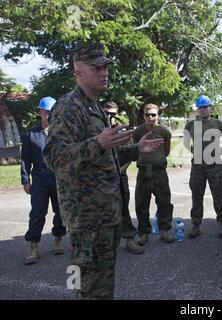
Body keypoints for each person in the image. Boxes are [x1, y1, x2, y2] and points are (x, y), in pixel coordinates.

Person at [43, 43, 164, 300]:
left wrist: (135, 149)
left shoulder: (93, 106)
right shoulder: (68, 107)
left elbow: (103, 156)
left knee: (101, 286)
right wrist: (97, 142)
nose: (104, 72)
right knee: (88, 288)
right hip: (87, 221)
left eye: (105, 66)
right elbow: (54, 158)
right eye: (96, 67)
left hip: (105, 216)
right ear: (78, 72)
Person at [21, 96, 66, 265]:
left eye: (53, 112)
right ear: (41, 112)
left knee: (60, 210)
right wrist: (25, 180)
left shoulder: (62, 133)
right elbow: (25, 159)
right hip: (39, 178)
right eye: (47, 111)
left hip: (58, 177)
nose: (50, 114)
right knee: (38, 213)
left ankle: (58, 240)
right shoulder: (31, 134)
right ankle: (33, 246)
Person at [183, 95, 222, 238]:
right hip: (197, 166)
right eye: (200, 107)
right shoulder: (190, 125)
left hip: (214, 166)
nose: (202, 110)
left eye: (205, 107)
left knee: (218, 195)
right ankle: (196, 225)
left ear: (210, 108)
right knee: (196, 195)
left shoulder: (218, 124)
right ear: (197, 109)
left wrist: (218, 153)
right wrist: (195, 152)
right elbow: (186, 142)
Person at [103, 101, 144, 254]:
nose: (109, 116)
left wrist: (119, 171)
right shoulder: (97, 131)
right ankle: (105, 243)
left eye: (112, 114)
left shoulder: (122, 132)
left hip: (120, 176)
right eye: (106, 113)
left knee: (123, 209)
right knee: (101, 211)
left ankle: (130, 239)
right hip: (100, 179)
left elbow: (131, 155)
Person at [133, 103, 175, 245]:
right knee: (141, 203)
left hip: (159, 171)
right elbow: (134, 149)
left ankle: (165, 230)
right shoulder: (138, 132)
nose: (150, 117)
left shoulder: (164, 131)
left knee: (164, 201)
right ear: (143, 115)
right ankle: (144, 232)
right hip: (143, 171)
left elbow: (167, 151)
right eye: (147, 115)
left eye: (153, 115)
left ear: (158, 115)